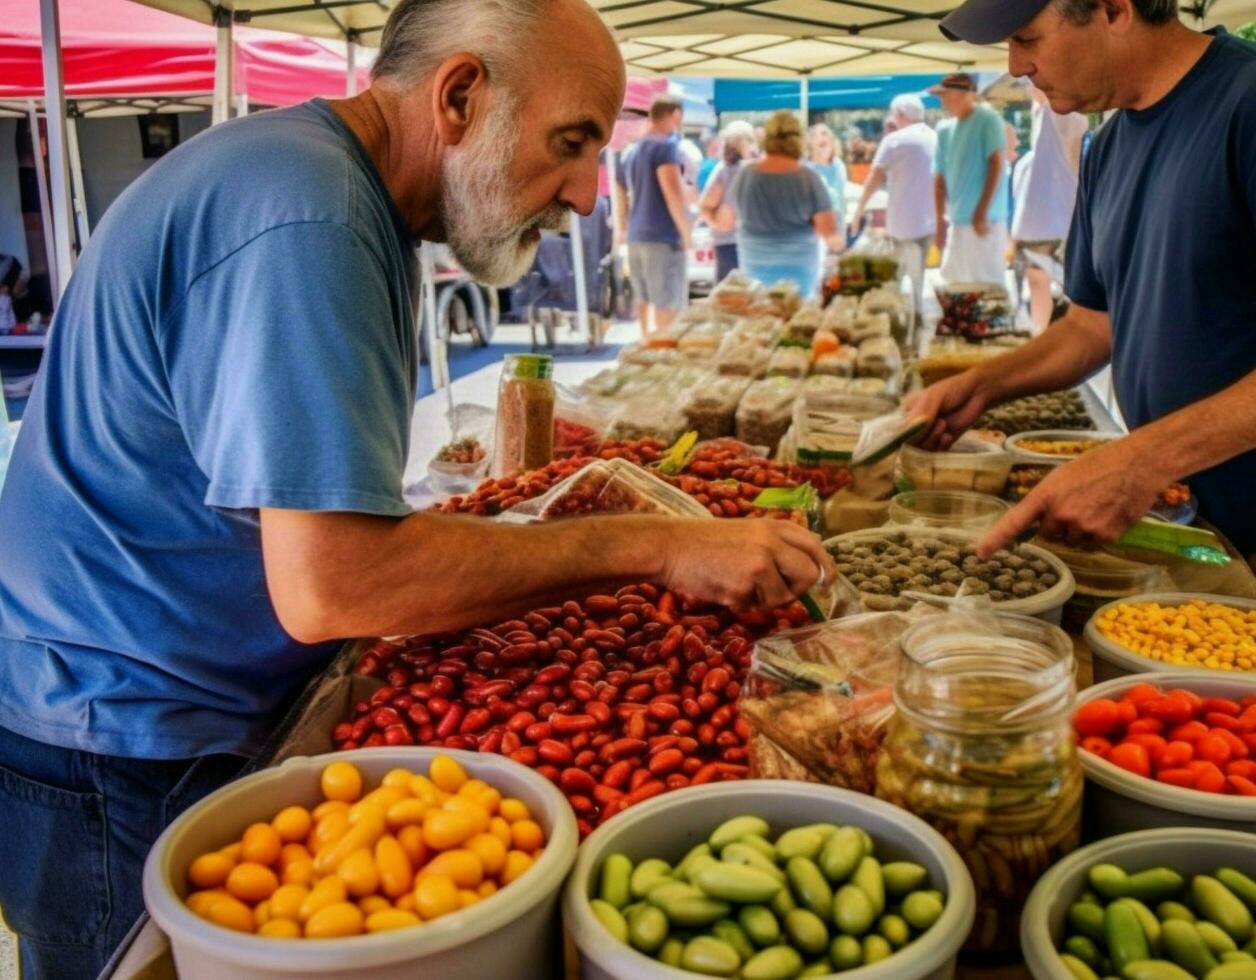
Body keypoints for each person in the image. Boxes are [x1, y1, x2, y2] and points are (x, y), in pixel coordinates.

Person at [0, 1, 833, 974]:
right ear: (460, 95)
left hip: (141, 706)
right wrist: (653, 544)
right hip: (120, 735)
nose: (585, 195)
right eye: (571, 143)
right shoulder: (308, 211)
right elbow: (335, 583)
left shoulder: (327, 189)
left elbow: (315, 516)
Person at [916, 0, 1256, 625]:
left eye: (1027, 37)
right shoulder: (1109, 145)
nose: (1017, 66)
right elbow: (1091, 326)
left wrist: (1142, 460)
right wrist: (980, 386)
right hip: (1184, 507)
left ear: (1115, 9)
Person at [726, 111, 843, 299]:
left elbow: (727, 220)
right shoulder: (809, 179)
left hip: (754, 268)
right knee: (794, 324)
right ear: (799, 140)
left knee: (760, 320)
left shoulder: (746, 174)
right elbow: (829, 233)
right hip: (798, 273)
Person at [851, 94, 938, 315]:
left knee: (895, 281)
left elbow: (874, 177)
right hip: (929, 222)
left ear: (899, 115)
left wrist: (859, 210)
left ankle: (900, 324)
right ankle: (916, 319)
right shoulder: (935, 137)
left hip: (903, 225)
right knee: (918, 280)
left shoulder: (895, 140)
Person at [1011, 83, 1089, 330]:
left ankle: (1045, 332)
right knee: (1040, 276)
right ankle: (1044, 332)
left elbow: (1074, 161)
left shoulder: (1059, 114)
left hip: (1052, 214)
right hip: (1050, 214)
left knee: (1043, 276)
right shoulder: (1047, 114)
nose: (1029, 89)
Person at [615, 94, 692, 337]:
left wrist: (622, 230)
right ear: (675, 115)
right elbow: (672, 191)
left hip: (637, 236)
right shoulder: (666, 147)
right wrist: (685, 232)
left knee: (644, 297)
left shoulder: (631, 151)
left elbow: (620, 194)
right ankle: (663, 352)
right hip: (662, 236)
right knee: (666, 301)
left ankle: (646, 343)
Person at [931, 72, 1010, 287]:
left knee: (987, 290)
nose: (943, 100)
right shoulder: (944, 130)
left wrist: (981, 211)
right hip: (958, 221)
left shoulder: (988, 119)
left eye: (946, 94)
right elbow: (938, 179)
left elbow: (997, 163)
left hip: (985, 222)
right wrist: (940, 221)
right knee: (952, 285)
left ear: (964, 94)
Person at [699, 120, 758, 282]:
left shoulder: (732, 169)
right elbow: (705, 206)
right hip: (734, 244)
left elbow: (705, 206)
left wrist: (718, 224)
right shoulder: (727, 170)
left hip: (739, 243)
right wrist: (719, 224)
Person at [807, 123, 848, 221]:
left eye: (825, 133)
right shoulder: (806, 168)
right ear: (810, 142)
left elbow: (839, 194)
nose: (822, 136)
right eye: (816, 135)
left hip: (836, 220)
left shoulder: (839, 165)